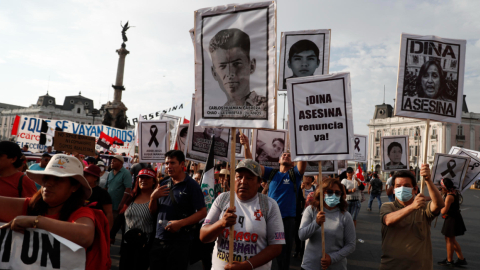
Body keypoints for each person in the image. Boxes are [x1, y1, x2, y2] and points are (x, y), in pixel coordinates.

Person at [0, 154, 109, 270]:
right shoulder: (30, 205)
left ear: (74, 187)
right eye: (46, 178)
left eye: (58, 179)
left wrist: (35, 221)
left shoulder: (81, 212)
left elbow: (85, 236)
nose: (48, 184)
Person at [200, 159, 285, 270]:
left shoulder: (269, 205)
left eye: (249, 178)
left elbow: (276, 246)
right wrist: (221, 223)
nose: (243, 181)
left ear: (259, 182)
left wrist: (247, 265)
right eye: (239, 177)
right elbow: (203, 236)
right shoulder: (223, 199)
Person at [240, 133, 306, 270]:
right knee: (264, 249)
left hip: (287, 220)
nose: (286, 155)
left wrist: (299, 138)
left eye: (289, 155)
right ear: (279, 160)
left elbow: (303, 160)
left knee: (283, 254)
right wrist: (246, 146)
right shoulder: (272, 173)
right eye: (284, 154)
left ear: (293, 162)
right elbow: (252, 165)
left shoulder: (294, 174)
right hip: (268, 218)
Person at [148, 150, 207, 270]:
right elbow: (153, 211)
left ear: (182, 164)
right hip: (159, 239)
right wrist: (153, 198)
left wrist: (180, 223)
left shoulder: (191, 185)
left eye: (172, 163)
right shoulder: (163, 183)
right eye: (166, 163)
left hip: (180, 242)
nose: (168, 166)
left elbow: (202, 212)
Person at [380, 165, 444, 270]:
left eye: (406, 185)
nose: (402, 188)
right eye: (398, 186)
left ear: (415, 189)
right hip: (391, 266)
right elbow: (388, 220)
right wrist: (412, 207)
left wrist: (428, 180)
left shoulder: (423, 208)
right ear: (394, 190)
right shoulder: (387, 206)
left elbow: (439, 204)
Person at [209, 28, 267, 118]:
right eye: (223, 66)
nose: (230, 73)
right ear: (214, 73)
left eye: (236, 64)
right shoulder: (218, 115)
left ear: (251, 66)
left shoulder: (268, 108)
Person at [299, 178, 356, 270]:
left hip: (336, 266)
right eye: (329, 191)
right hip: (310, 266)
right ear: (322, 192)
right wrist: (316, 223)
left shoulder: (345, 216)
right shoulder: (311, 210)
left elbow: (351, 245)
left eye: (337, 193)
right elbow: (301, 236)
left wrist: (332, 258)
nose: (333, 195)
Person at [120, 168, 157, 270]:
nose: (143, 180)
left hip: (144, 248)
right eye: (141, 178)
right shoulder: (132, 196)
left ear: (154, 181)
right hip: (127, 245)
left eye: (147, 178)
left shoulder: (157, 199)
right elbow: (122, 216)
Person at [438, 178, 467, 267]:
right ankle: (461, 258)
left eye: (441, 186)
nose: (440, 188)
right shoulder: (454, 192)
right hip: (453, 218)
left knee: (449, 240)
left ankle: (449, 261)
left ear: (444, 187)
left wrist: (438, 206)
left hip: (452, 219)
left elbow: (444, 211)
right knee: (451, 239)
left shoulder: (449, 196)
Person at [84, 165, 114, 230]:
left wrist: (107, 232)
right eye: (84, 174)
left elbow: (109, 214)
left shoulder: (103, 193)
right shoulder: (77, 190)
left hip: (95, 229)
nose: (84, 176)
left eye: (87, 174)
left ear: (95, 178)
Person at [293, 175, 316, 258]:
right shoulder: (299, 186)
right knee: (297, 232)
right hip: (299, 212)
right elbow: (295, 197)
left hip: (310, 212)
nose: (307, 178)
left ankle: (303, 251)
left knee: (306, 231)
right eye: (306, 176)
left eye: (309, 177)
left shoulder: (314, 188)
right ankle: (297, 250)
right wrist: (300, 189)